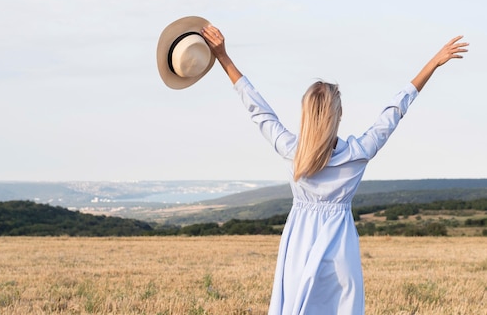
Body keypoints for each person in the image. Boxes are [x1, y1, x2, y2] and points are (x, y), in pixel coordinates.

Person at [200, 25, 469, 315]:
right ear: (338, 115)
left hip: (298, 246)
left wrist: (223, 57)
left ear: (305, 115)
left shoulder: (293, 152)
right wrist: (432, 63)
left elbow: (258, 109)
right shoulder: (357, 153)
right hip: (340, 250)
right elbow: (394, 111)